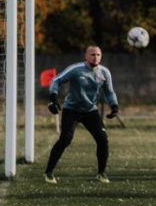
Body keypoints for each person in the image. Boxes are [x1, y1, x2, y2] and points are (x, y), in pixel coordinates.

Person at [44, 45, 119, 184]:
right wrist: (53, 99)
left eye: (98, 54)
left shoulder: (104, 72)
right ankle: (48, 172)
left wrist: (114, 106)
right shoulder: (76, 69)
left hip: (90, 110)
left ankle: (101, 173)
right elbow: (56, 80)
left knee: (102, 139)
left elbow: (109, 91)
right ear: (86, 56)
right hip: (71, 109)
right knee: (66, 139)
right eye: (92, 54)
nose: (95, 57)